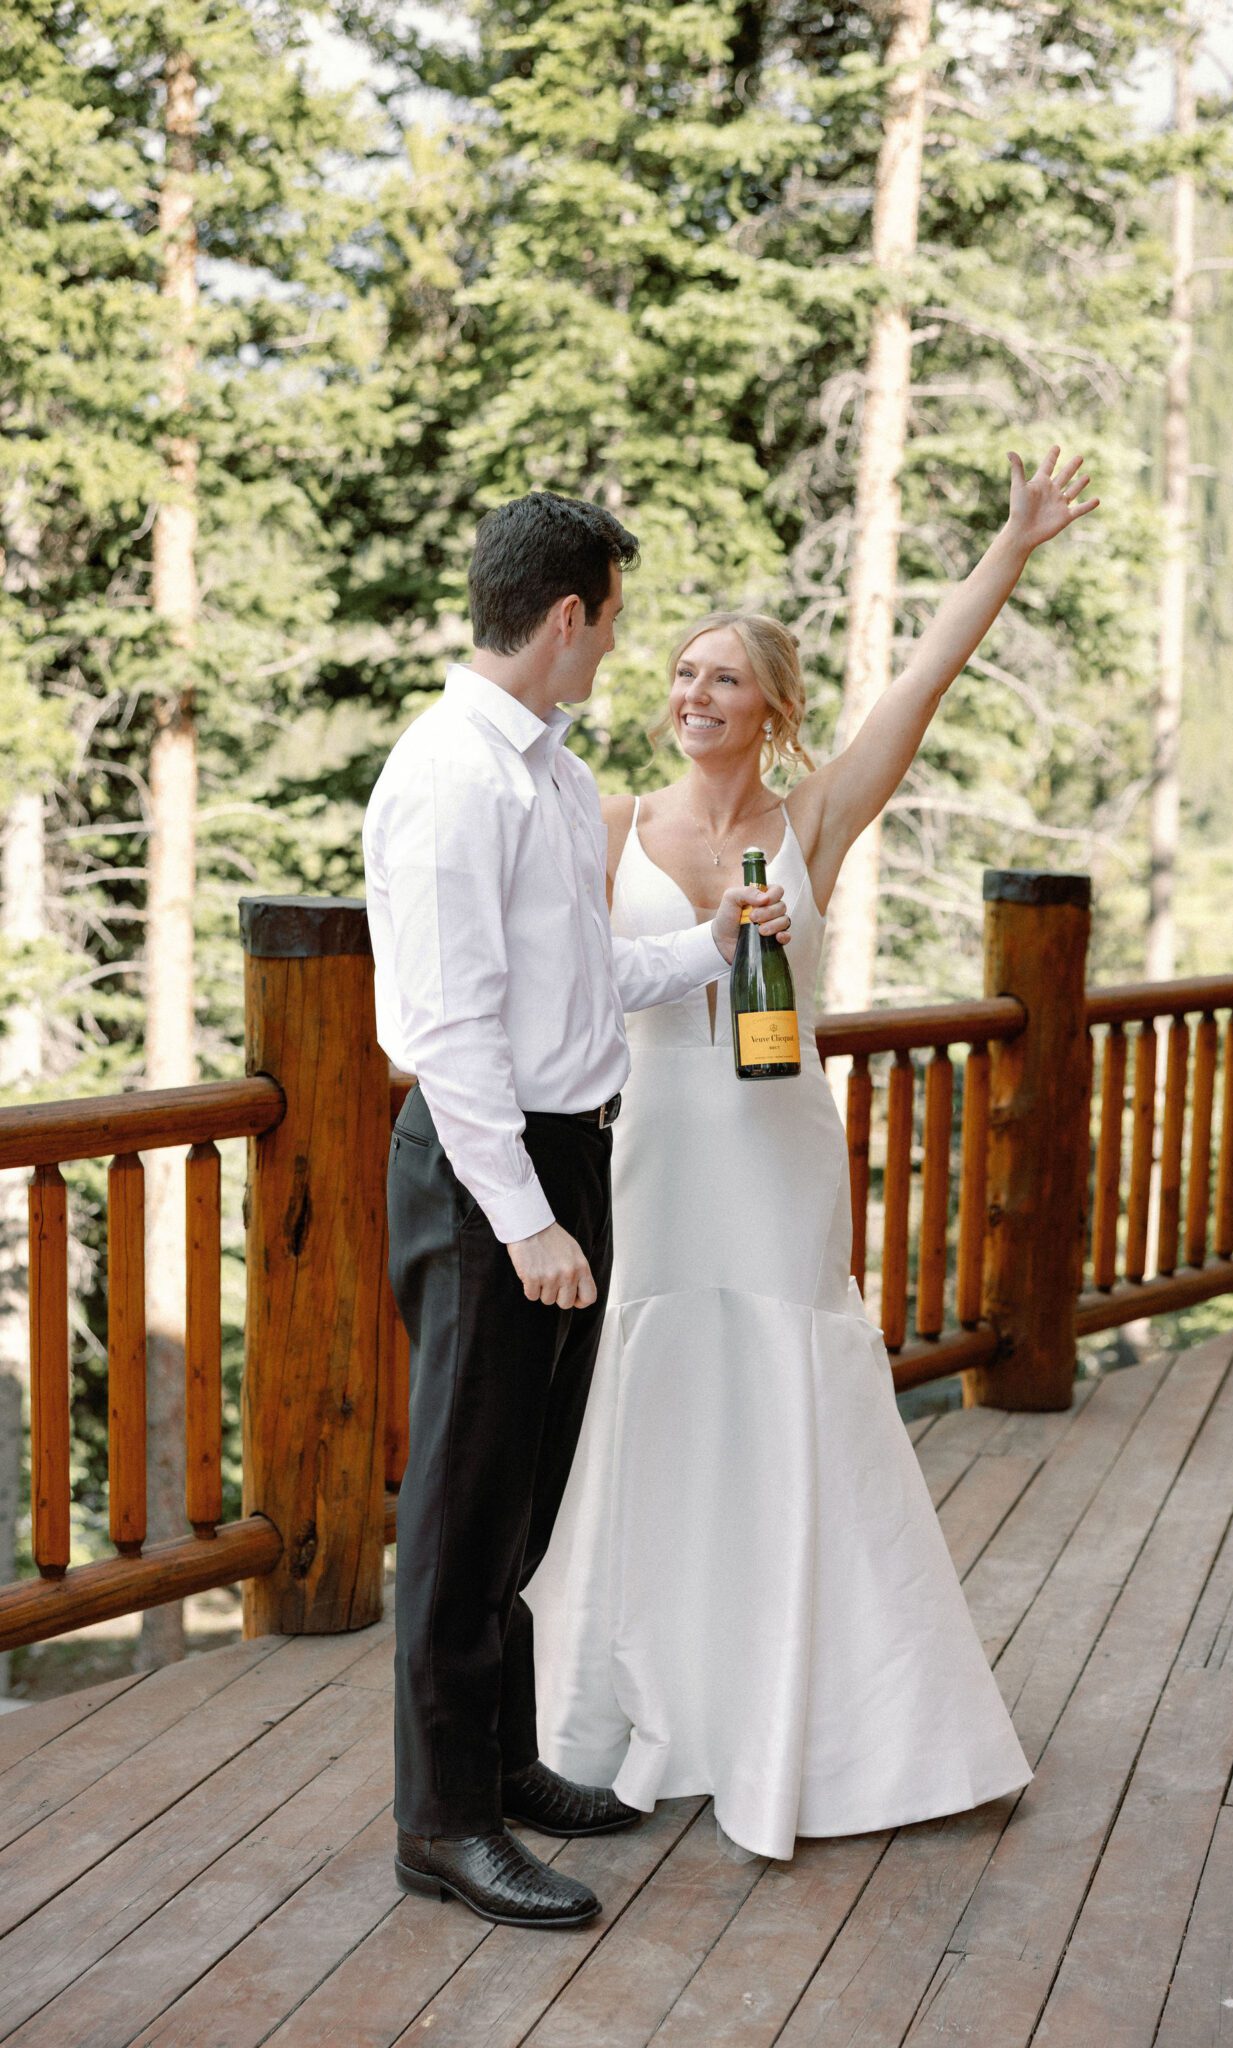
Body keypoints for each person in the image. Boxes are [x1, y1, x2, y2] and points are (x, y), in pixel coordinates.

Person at [526, 447, 1100, 1860]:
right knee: (658, 1392)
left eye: (722, 677)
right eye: (676, 672)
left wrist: (1012, 545)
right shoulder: (607, 828)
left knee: (790, 1386)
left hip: (779, 1153)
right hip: (658, 1147)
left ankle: (835, 1717)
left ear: (772, 708)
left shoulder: (815, 819)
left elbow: (921, 680)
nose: (689, 695)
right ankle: (639, 1707)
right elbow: (561, 981)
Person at [363, 491, 792, 1927]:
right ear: (566, 617)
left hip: (566, 1154)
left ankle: (504, 1763)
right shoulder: (450, 779)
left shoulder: (547, 773)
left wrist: (709, 951)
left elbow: (571, 986)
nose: (618, 650)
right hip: (491, 1176)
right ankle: (443, 1825)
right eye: (612, 620)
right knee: (461, 1502)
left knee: (525, 1494)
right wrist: (525, 1223)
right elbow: (447, 1032)